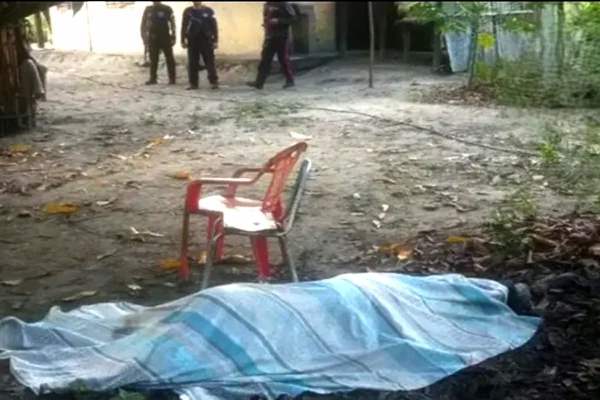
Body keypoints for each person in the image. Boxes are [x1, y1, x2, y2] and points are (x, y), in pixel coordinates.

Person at [247, 1, 297, 90]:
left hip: (281, 36)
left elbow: (293, 18)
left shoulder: (283, 4)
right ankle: (259, 82)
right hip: (269, 36)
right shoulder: (267, 4)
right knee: (265, 60)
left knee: (283, 59)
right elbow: (266, 17)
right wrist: (265, 24)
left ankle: (290, 80)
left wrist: (279, 21)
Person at [181, 2, 219, 90]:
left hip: (206, 39)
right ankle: (193, 84)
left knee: (209, 62)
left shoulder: (208, 11)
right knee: (192, 63)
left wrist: (215, 40)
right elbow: (184, 26)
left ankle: (214, 82)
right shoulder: (188, 11)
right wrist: (182, 40)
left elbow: (214, 26)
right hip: (192, 40)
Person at [140, 1, 177, 85]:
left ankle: (172, 78)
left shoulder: (167, 9)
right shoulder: (148, 9)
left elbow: (172, 23)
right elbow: (143, 24)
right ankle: (153, 78)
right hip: (153, 37)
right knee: (153, 59)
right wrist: (144, 37)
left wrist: (173, 36)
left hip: (165, 37)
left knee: (169, 58)